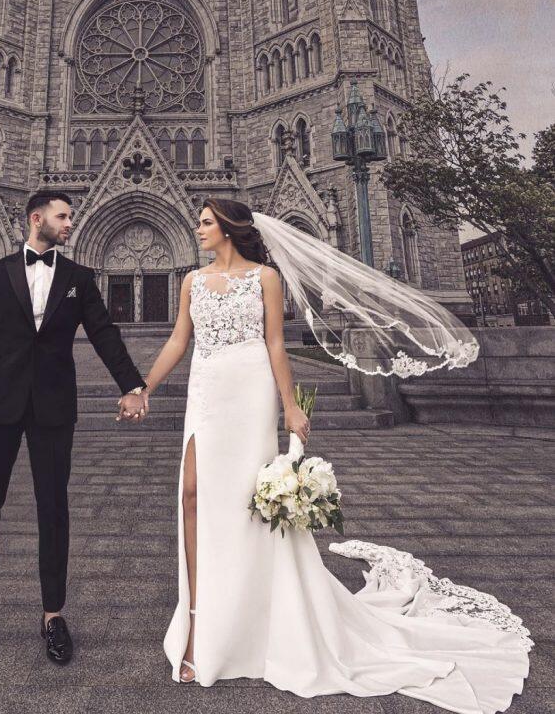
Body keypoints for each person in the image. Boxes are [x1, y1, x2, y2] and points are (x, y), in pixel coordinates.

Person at [140, 198, 530, 712]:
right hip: (207, 390)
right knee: (191, 496)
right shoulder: (191, 281)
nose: (198, 229)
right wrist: (142, 386)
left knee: (244, 505)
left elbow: (276, 345)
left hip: (251, 392)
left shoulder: (266, 279)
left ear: (230, 230)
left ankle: (248, 621)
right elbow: (177, 340)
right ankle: (195, 623)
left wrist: (289, 407)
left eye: (206, 222)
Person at [0, 191, 149, 671]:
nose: (71, 223)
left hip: (54, 409)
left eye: (72, 217)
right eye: (63, 216)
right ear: (37, 219)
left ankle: (53, 615)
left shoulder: (78, 277)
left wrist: (133, 385)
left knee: (54, 510)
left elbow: (104, 333)